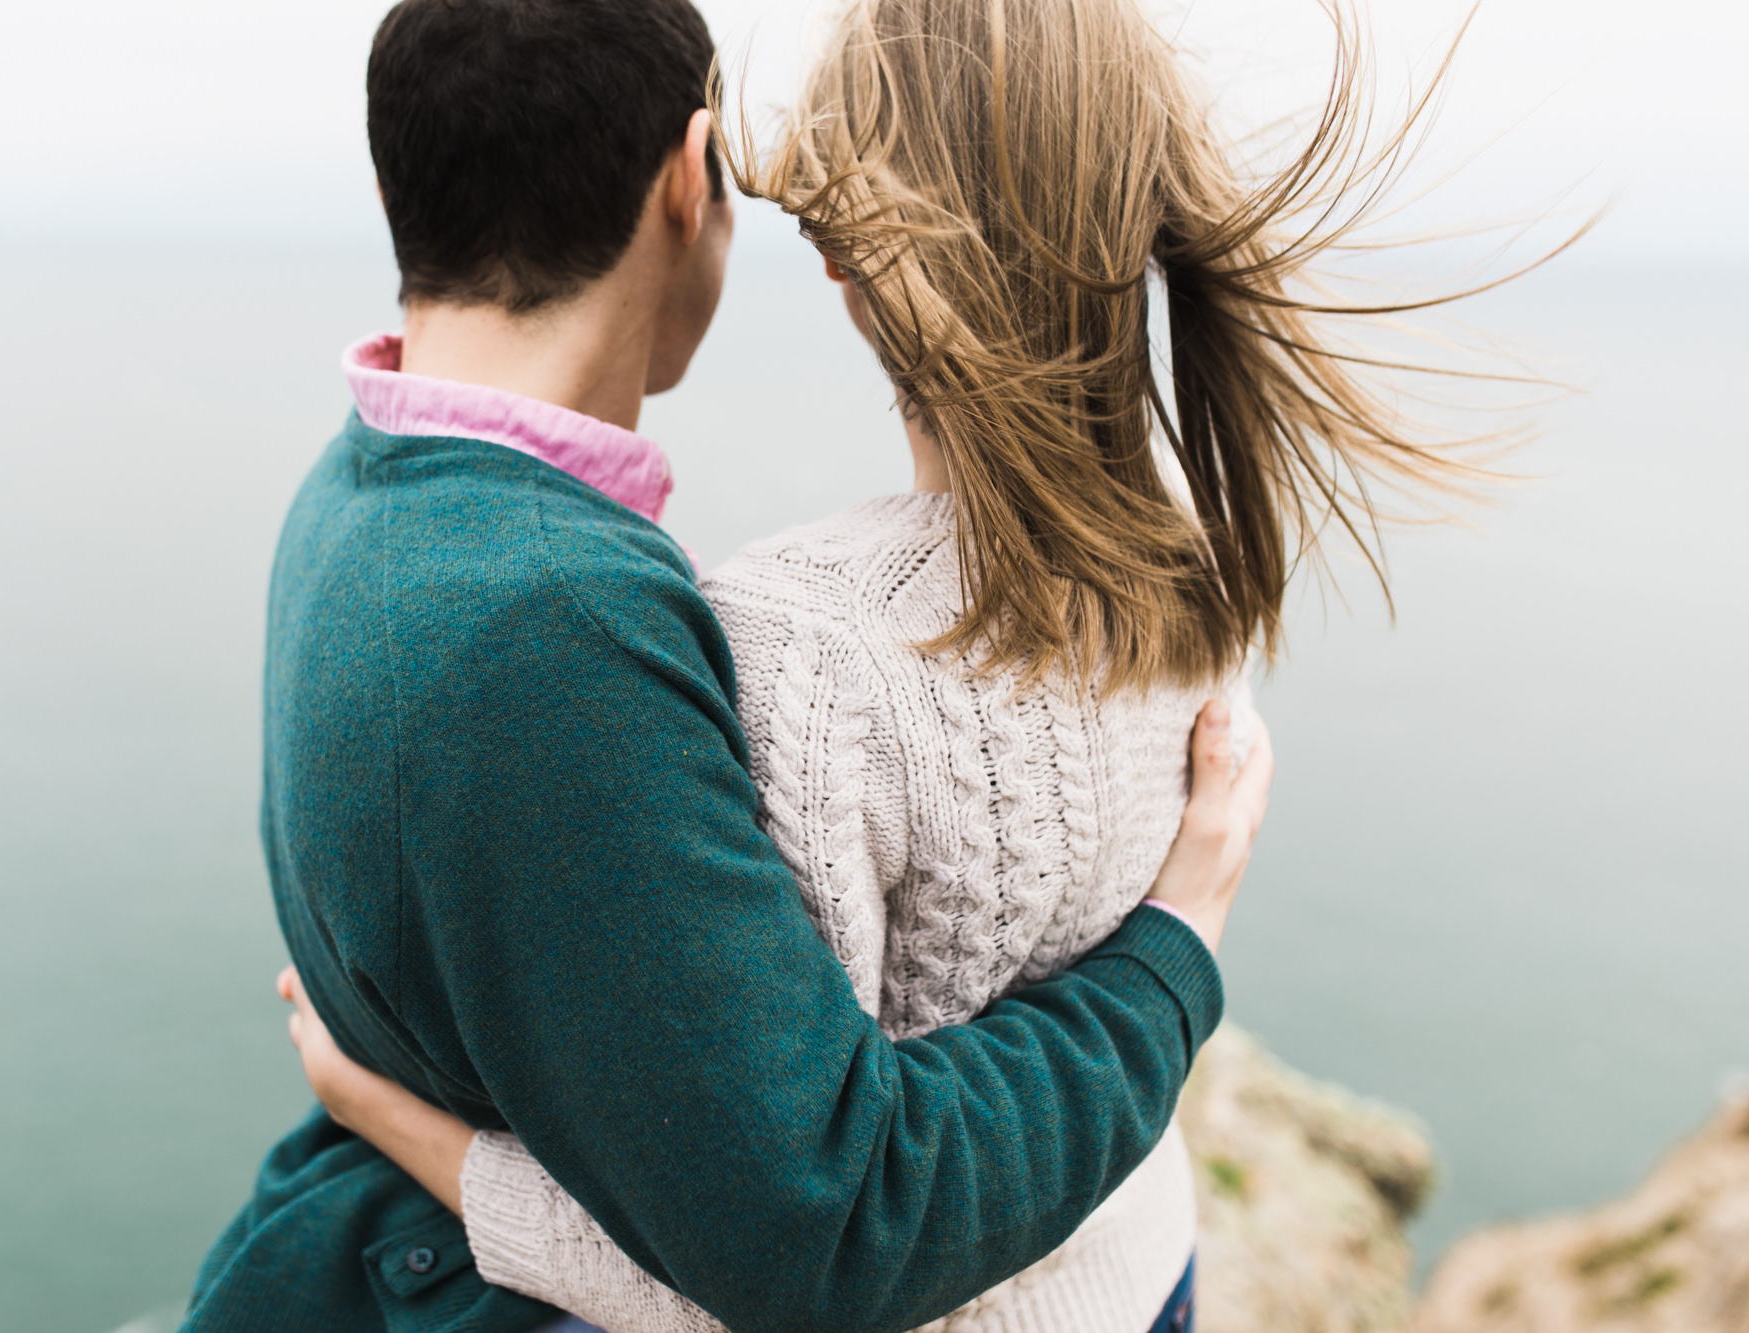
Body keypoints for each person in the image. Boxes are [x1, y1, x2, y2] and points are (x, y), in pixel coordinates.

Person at [260, 0, 1492, 1329]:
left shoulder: (372, 515)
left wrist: (408, 1131)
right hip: (1147, 1268)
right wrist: (1185, 928)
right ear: (693, 175)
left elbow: (814, 1243)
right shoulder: (1191, 536)